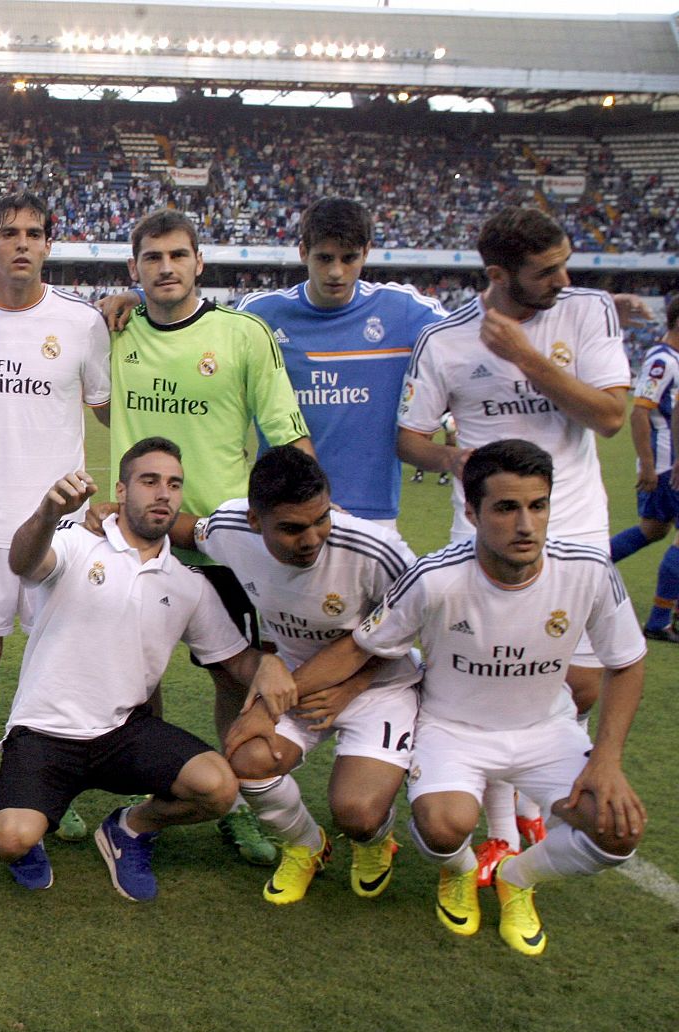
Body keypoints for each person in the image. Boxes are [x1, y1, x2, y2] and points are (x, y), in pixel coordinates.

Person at [278, 440, 647, 956]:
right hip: (452, 730)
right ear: (471, 512)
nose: (525, 525)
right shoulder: (433, 578)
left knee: (619, 832)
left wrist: (606, 760)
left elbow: (626, 661)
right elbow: (363, 647)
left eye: (537, 506)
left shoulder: (587, 569)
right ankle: (461, 870)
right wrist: (275, 699)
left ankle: (518, 878)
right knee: (444, 826)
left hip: (546, 730)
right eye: (506, 507)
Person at [397, 206, 630, 880]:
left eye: (563, 263)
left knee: (580, 682)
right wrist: (449, 459)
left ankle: (528, 790)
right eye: (546, 270)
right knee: (486, 676)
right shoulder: (445, 340)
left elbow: (611, 415)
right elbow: (408, 435)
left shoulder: (586, 312)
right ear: (499, 274)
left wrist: (527, 359)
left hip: (574, 526)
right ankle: (503, 825)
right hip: (480, 535)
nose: (563, 277)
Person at [0, 438, 291, 897]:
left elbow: (234, 658)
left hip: (122, 731)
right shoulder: (76, 543)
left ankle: (129, 829)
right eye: (149, 481)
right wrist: (47, 514)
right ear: (122, 491)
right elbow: (23, 561)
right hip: (46, 731)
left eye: (174, 484)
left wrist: (265, 665)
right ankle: (11, 812)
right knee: (12, 840)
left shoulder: (189, 585)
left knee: (219, 788)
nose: (163, 493)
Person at [107, 208, 315, 866]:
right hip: (140, 541)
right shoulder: (114, 331)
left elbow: (289, 438)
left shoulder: (242, 335)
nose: (165, 267)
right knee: (140, 680)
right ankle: (159, 800)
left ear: (199, 262)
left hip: (224, 545)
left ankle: (240, 800)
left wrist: (304, 520)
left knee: (235, 678)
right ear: (134, 269)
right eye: (151, 258)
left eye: (177, 255)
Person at [0, 191, 111, 850]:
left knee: (57, 662)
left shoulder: (84, 323)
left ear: (49, 245)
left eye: (35, 232)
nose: (23, 244)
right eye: (10, 233)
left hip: (61, 529)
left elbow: (109, 409)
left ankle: (52, 793)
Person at [188, 447, 419, 904]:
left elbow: (409, 628)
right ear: (256, 521)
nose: (312, 538)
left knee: (357, 812)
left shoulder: (378, 551)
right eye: (292, 528)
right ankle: (306, 846)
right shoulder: (229, 527)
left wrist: (350, 687)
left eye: (322, 519)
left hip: (379, 685)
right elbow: (187, 529)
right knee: (247, 758)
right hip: (297, 680)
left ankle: (375, 841)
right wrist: (114, 517)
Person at [235, 197, 446, 528]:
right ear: (303, 252)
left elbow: (471, 333)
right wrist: (141, 298)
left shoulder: (403, 311)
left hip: (373, 514)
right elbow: (197, 326)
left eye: (349, 258)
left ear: (367, 252)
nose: (336, 271)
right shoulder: (261, 313)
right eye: (324, 258)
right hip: (286, 510)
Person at [609, 297, 679, 640]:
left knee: (653, 529)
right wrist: (649, 465)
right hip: (667, 463)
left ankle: (583, 573)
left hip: (666, 461)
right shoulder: (661, 361)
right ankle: (658, 621)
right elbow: (640, 412)